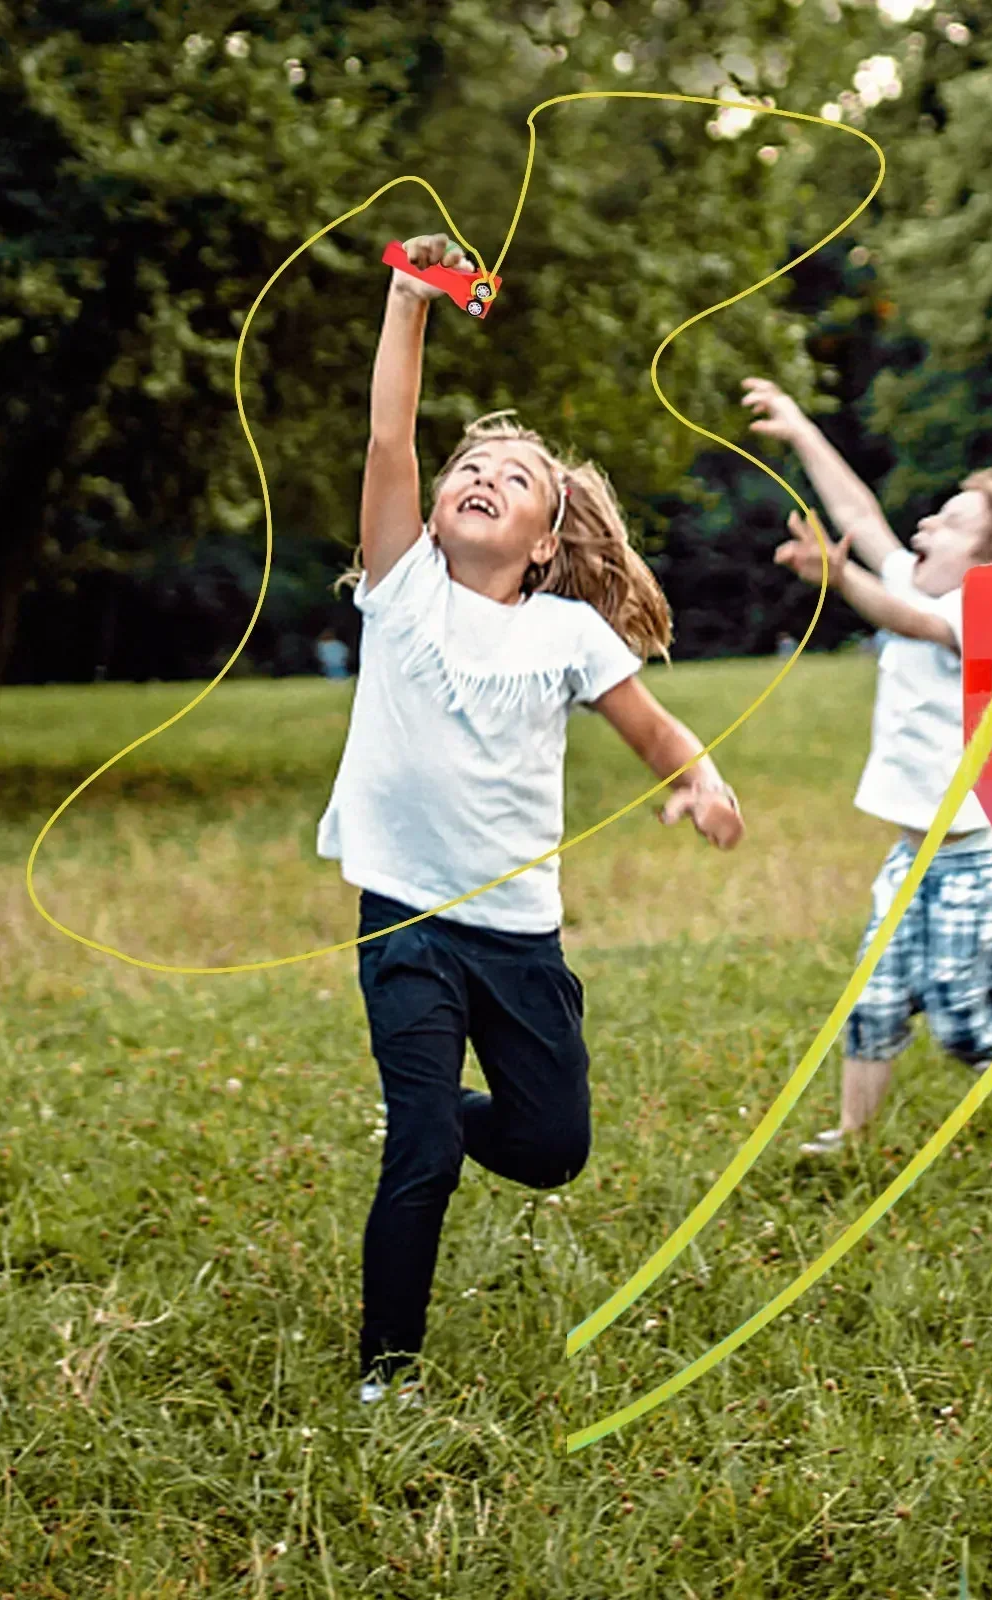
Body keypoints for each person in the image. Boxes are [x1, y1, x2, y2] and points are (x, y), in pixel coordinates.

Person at [319, 234, 746, 1406]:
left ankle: (438, 1117)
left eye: (514, 478)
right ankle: (386, 1377)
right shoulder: (400, 584)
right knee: (417, 1149)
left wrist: (696, 780)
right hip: (405, 917)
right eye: (474, 465)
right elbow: (389, 436)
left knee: (551, 1146)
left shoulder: (565, 633)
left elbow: (654, 731)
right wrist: (409, 302)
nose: (482, 476)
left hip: (517, 936)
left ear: (547, 541)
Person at [741, 375, 992, 1157]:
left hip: (979, 859)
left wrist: (838, 575)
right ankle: (853, 1138)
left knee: (965, 1027)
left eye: (950, 523)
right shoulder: (917, 580)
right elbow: (858, 512)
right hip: (912, 854)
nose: (924, 524)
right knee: (875, 997)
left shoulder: (982, 618)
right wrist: (798, 430)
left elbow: (908, 621)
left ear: (988, 558)